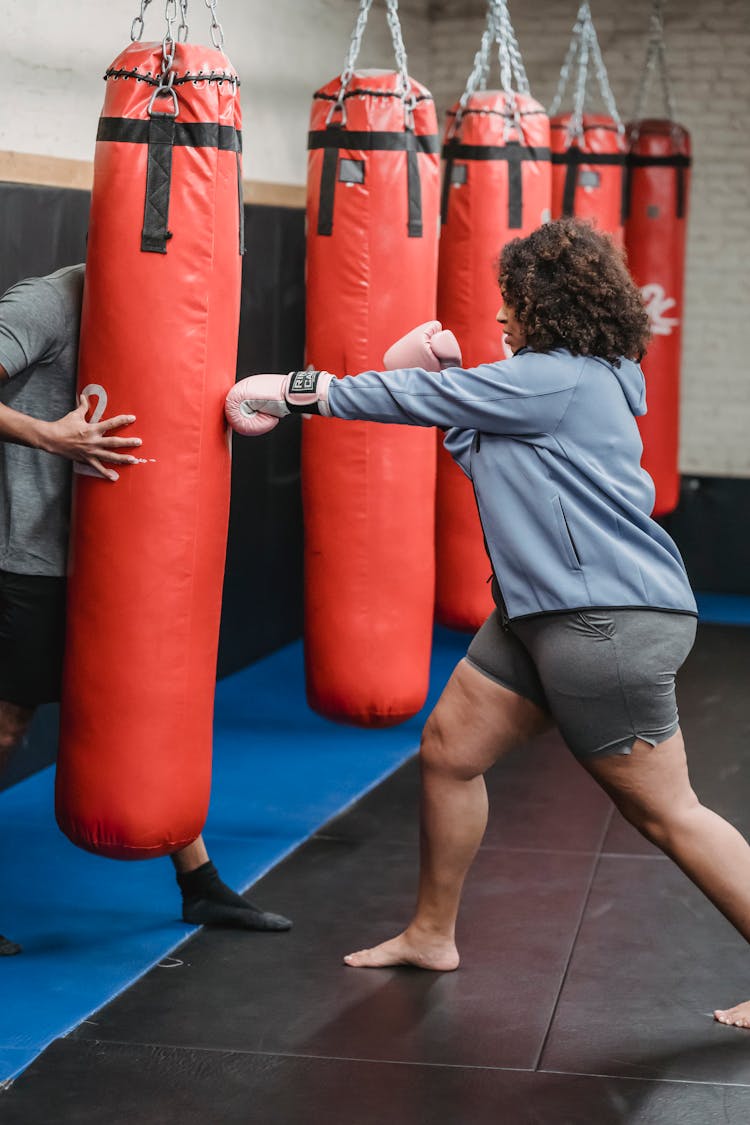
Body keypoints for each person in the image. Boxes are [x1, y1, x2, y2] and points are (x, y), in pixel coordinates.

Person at [226, 217, 750, 1023]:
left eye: (511, 303)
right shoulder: (567, 382)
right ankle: (432, 933)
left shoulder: (560, 376)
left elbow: (433, 401)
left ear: (547, 304)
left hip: (602, 624)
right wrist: (447, 380)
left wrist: (300, 389)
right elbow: (479, 445)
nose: (500, 317)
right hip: (540, 617)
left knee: (667, 812)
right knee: (449, 752)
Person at [0, 264, 291, 955]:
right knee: (8, 725)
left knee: (143, 718)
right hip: (28, 560)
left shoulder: (175, 311)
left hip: (118, 565)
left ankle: (200, 884)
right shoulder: (50, 299)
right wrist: (51, 436)